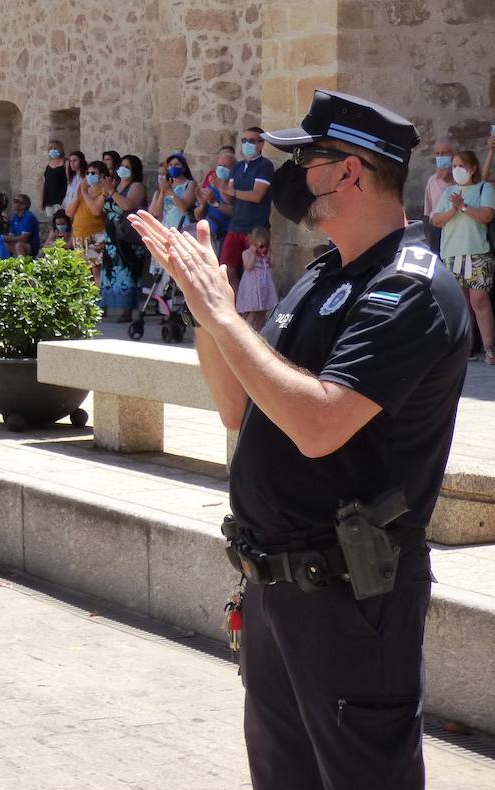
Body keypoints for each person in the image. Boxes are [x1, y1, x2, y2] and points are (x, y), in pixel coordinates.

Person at [130, 89, 469, 790]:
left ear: (348, 171)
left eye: (306, 160)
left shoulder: (409, 288)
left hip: (350, 598)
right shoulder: (322, 274)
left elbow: (319, 424)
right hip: (275, 588)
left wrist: (227, 319)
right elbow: (237, 407)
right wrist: (207, 311)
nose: (294, 177)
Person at [430, 149, 495, 363]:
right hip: (452, 253)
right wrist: (454, 209)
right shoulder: (449, 192)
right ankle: (465, 348)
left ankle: (489, 349)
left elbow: (486, 215)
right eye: (454, 166)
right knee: (460, 303)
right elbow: (435, 220)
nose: (457, 169)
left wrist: (463, 206)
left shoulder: (484, 188)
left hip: (477, 252)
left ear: (473, 168)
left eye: (461, 166)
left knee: (480, 300)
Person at [219, 127, 274, 294]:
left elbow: (257, 195)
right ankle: (237, 305)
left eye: (251, 141)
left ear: (261, 144)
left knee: (255, 274)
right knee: (227, 271)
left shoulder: (265, 166)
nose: (246, 144)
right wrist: (221, 187)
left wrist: (233, 192)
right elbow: (229, 199)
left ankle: (252, 307)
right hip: (235, 226)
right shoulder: (238, 166)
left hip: (255, 230)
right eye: (244, 140)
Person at [100, 155, 149, 320]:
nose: (123, 169)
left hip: (127, 237)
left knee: (126, 271)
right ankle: (104, 305)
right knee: (109, 270)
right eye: (122, 165)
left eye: (128, 166)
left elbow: (128, 205)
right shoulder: (116, 185)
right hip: (111, 237)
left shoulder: (136, 186)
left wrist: (112, 192)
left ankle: (126, 310)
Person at [235, 227, 278, 331]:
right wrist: (254, 253)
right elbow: (248, 267)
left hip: (264, 286)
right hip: (252, 286)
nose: (263, 249)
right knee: (253, 311)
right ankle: (247, 331)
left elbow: (272, 264)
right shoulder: (247, 253)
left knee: (263, 311)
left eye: (266, 246)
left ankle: (259, 331)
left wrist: (270, 253)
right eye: (261, 246)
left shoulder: (264, 256)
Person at [196, 146, 237, 256]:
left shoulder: (236, 186)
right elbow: (197, 215)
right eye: (219, 165)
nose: (221, 168)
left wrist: (215, 201)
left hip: (224, 236)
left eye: (225, 166)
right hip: (208, 235)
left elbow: (234, 210)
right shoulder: (212, 184)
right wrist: (203, 204)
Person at [66, 157, 107, 264]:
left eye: (93, 173)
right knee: (83, 269)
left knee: (96, 269)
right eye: (87, 173)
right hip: (79, 235)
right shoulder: (83, 191)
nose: (89, 176)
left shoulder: (104, 191)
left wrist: (84, 193)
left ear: (101, 175)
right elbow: (69, 212)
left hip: (95, 235)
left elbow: (96, 211)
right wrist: (78, 195)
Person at [423, 138, 457, 254]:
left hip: (457, 228)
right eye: (437, 154)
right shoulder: (432, 181)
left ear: (453, 155)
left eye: (444, 153)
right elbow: (429, 211)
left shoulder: (462, 179)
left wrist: (450, 177)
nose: (440, 156)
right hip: (437, 230)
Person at [153, 154, 197, 232]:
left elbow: (184, 208)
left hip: (182, 229)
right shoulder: (167, 185)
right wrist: (162, 193)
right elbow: (156, 213)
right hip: (166, 228)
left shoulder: (190, 184)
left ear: (184, 168)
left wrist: (170, 192)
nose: (173, 167)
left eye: (177, 164)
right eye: (170, 165)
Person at [40, 140, 68, 217]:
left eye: (55, 148)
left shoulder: (65, 163)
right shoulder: (49, 164)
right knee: (51, 220)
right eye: (51, 149)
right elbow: (44, 182)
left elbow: (69, 181)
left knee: (61, 218)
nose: (52, 150)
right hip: (49, 199)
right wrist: (42, 199)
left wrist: (66, 197)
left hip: (60, 198)